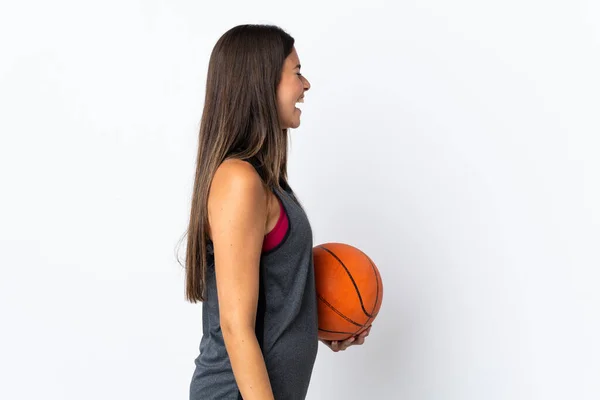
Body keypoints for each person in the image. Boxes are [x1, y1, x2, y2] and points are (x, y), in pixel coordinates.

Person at [183, 24, 371, 400]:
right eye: (297, 72)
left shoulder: (265, 181)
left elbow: (268, 299)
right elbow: (236, 328)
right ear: (262, 82)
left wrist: (321, 321)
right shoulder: (239, 180)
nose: (306, 85)